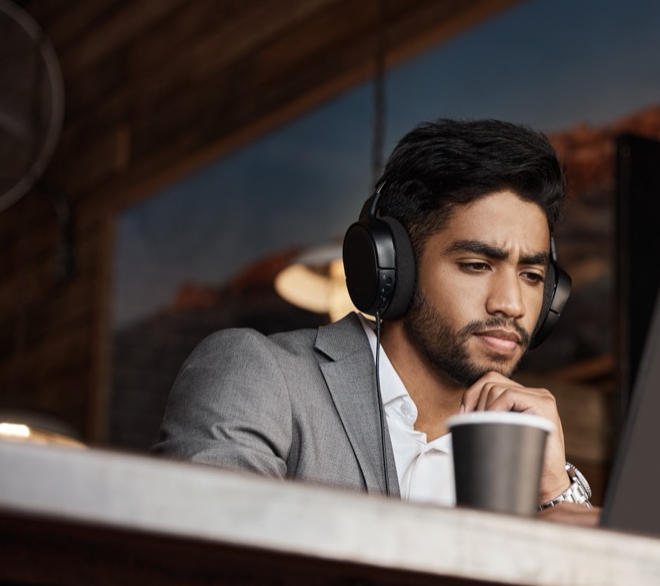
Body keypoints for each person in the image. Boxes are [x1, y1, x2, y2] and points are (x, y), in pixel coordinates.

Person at [154, 119, 597, 526]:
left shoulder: (519, 456)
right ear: (392, 267)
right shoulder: (259, 375)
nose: (512, 304)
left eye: (533, 276)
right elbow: (202, 564)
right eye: (477, 265)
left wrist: (554, 493)